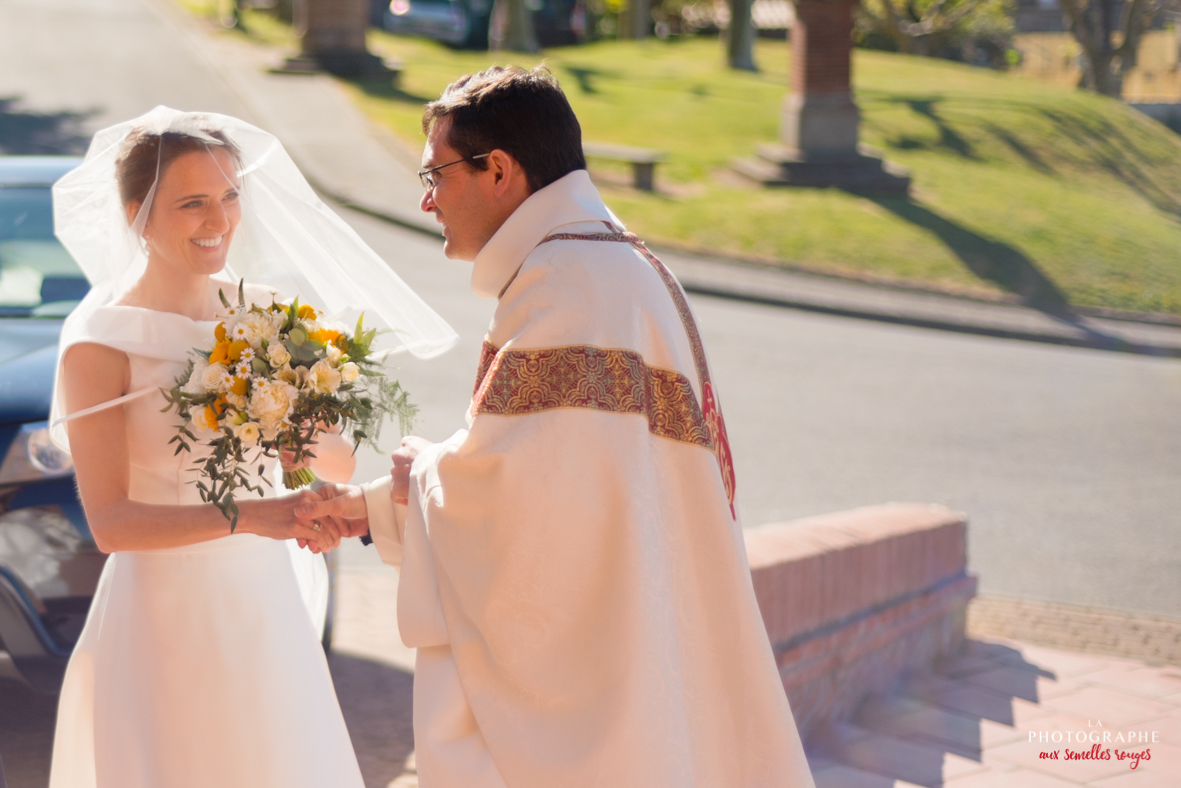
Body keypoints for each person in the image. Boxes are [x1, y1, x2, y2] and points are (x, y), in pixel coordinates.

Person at [298, 67, 816, 787]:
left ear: (500, 170)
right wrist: (375, 503)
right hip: (642, 634)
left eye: (436, 175)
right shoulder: (614, 264)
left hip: (602, 683)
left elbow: (519, 506)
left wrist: (417, 471)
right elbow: (548, 474)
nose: (426, 199)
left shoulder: (566, 281)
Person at [46, 107, 458, 788]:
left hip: (264, 607)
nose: (220, 220)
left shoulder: (262, 311)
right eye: (193, 203)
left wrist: (287, 428)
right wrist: (260, 515)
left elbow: (336, 461)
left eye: (230, 196)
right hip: (161, 619)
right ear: (135, 214)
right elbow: (112, 525)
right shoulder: (101, 343)